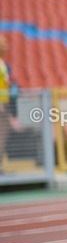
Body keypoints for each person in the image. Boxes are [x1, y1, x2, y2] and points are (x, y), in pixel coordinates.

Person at [0, 35, 14, 174]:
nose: (6, 45)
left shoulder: (4, 64)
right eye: (3, 42)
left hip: (4, 105)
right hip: (0, 106)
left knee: (4, 134)